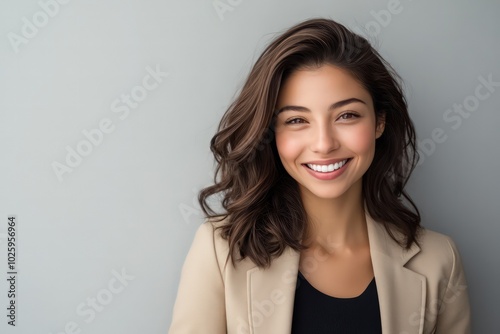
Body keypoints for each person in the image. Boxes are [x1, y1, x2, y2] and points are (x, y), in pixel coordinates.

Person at [168, 18, 471, 333]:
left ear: (379, 122)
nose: (324, 144)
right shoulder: (221, 251)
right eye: (297, 120)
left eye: (347, 115)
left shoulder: (439, 261)